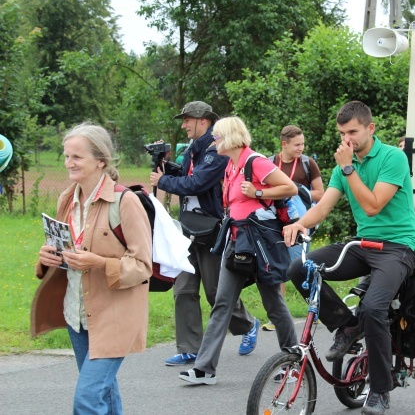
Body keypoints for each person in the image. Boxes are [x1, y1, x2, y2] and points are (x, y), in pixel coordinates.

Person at [285, 101, 415, 415]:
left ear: (370, 129)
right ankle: (347, 326)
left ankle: (381, 391)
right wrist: (298, 223)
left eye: (353, 132)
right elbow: (322, 207)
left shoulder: (393, 158)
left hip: (398, 247)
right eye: (343, 133)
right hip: (363, 244)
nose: (348, 139)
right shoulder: (342, 167)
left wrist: (349, 168)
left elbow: (373, 206)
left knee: (373, 306)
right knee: (299, 268)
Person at [32, 123, 152, 414]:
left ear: (101, 160)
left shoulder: (125, 202)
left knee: (87, 399)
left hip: (115, 317)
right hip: (77, 314)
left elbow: (142, 266)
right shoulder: (66, 199)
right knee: (104, 394)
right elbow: (62, 248)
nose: (68, 163)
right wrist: (47, 257)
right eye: (66, 156)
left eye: (76, 157)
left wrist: (98, 263)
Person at [179, 116, 298, 385]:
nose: (214, 141)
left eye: (218, 136)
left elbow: (289, 187)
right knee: (222, 302)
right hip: (236, 241)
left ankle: (292, 363)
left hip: (259, 243)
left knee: (274, 304)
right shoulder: (231, 166)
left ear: (231, 137)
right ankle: (204, 369)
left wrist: (256, 192)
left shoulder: (254, 161)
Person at [150, 101, 257, 366]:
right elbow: (188, 175)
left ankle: (248, 325)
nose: (183, 125)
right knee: (183, 289)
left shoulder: (216, 150)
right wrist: (163, 163)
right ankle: (190, 348)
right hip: (188, 228)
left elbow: (197, 183)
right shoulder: (194, 151)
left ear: (202, 121)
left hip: (211, 229)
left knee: (214, 291)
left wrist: (162, 181)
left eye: (187, 120)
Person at [262, 124, 325, 332]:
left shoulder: (308, 163)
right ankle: (278, 316)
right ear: (284, 144)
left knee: (301, 266)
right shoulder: (270, 163)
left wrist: (297, 190)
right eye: (297, 144)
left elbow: (321, 194)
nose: (301, 148)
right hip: (275, 223)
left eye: (303, 143)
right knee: (277, 268)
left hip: (300, 223)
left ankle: (314, 308)